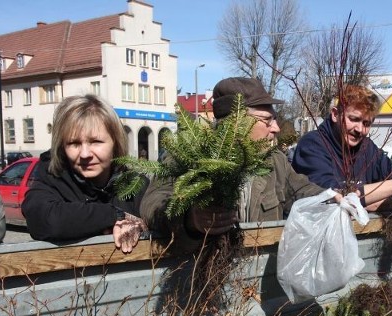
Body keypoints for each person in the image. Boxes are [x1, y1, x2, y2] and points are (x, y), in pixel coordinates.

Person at [141, 77, 333, 247]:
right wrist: (190, 220)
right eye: (266, 120)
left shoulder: (275, 160)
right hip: (200, 276)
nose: (275, 128)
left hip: (257, 274)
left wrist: (334, 198)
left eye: (274, 119)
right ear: (236, 122)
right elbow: (152, 203)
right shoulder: (187, 157)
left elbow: (301, 191)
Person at [22, 94, 148, 253]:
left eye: (96, 142)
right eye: (74, 143)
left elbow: (162, 215)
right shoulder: (52, 178)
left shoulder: (135, 184)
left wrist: (140, 225)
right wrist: (115, 215)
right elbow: (41, 219)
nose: (85, 154)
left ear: (115, 142)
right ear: (62, 147)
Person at [292, 84, 392, 211]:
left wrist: (365, 202)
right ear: (335, 114)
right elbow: (332, 198)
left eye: (366, 123)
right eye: (354, 119)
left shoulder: (367, 148)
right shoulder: (312, 145)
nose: (359, 129)